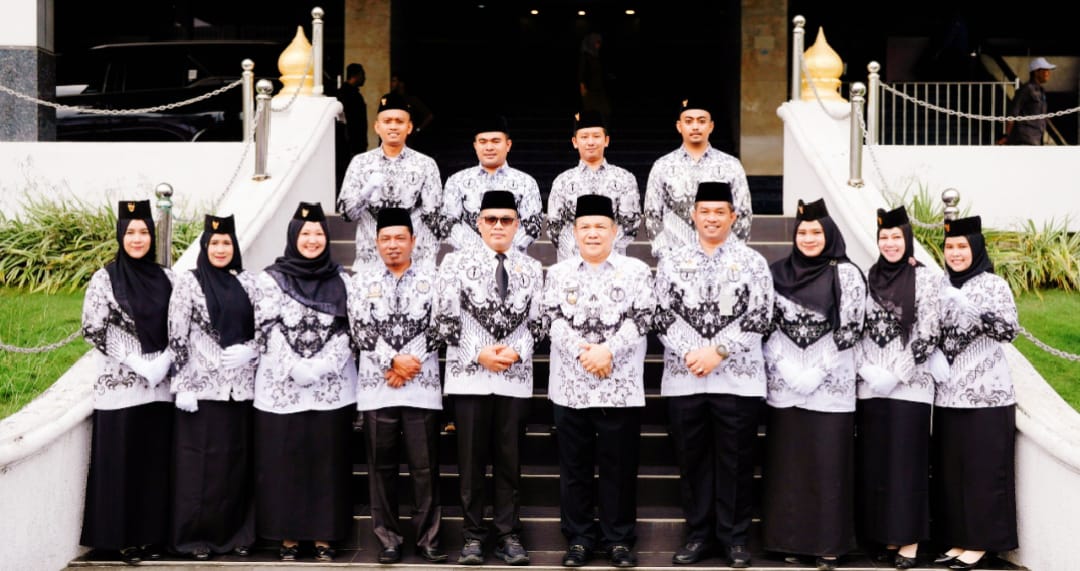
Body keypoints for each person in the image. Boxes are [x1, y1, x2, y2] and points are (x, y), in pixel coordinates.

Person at [653, 182, 774, 568]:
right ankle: (698, 536)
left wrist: (717, 352)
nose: (711, 218)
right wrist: (693, 353)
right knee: (692, 461)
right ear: (693, 215)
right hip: (685, 376)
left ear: (733, 217)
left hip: (737, 379)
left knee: (736, 460)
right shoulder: (672, 261)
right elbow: (661, 314)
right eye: (704, 211)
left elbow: (761, 315)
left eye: (720, 212)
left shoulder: (752, 261)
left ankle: (734, 539)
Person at [430, 190, 544, 566]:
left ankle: (508, 535)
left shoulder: (531, 267)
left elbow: (540, 321)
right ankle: (473, 536)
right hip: (469, 377)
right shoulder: (454, 263)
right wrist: (478, 352)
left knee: (510, 461)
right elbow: (443, 317)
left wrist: (517, 352)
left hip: (514, 375)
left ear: (517, 225)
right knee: (471, 461)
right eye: (491, 219)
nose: (498, 226)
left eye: (506, 219)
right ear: (478, 223)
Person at [542, 194, 656, 569]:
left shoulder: (636, 271)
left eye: (600, 227)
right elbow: (551, 319)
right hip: (570, 387)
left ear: (615, 230)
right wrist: (585, 354)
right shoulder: (558, 273)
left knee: (618, 468)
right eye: (586, 227)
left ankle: (618, 540)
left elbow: (643, 318)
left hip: (619, 386)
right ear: (574, 232)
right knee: (574, 468)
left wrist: (608, 351)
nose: (593, 233)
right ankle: (578, 539)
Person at [761, 198, 866, 571]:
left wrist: (816, 372)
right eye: (802, 232)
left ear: (829, 235)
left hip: (830, 386)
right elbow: (765, 325)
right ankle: (789, 541)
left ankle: (827, 545)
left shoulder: (846, 274)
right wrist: (786, 367)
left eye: (816, 232)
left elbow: (851, 328)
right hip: (785, 384)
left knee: (827, 464)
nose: (808, 238)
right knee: (789, 466)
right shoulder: (776, 272)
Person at [251, 202, 357, 562]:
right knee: (285, 462)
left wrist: (323, 366)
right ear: (293, 237)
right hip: (283, 388)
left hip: (331, 389)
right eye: (306, 233)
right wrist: (294, 367)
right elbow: (266, 327)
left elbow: (349, 329)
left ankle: (326, 536)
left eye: (318, 233)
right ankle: (289, 538)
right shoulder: (270, 279)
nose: (312, 240)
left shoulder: (342, 280)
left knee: (327, 463)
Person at [347, 208, 447, 565]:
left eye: (399, 238)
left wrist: (409, 363)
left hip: (422, 387)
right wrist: (392, 362)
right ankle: (388, 538)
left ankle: (428, 538)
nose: (393, 245)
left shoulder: (434, 278)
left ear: (413, 241)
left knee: (425, 468)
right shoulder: (361, 281)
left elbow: (442, 324)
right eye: (386, 239)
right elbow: (359, 328)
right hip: (377, 388)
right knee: (381, 468)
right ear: (376, 242)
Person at [80, 199, 175, 565]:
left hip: (159, 388)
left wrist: (165, 360)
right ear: (121, 236)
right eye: (131, 232)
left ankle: (152, 538)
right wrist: (135, 360)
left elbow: (181, 324)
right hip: (120, 388)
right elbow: (93, 327)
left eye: (144, 232)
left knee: (153, 466)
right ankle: (120, 540)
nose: (137, 239)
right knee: (121, 465)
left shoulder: (168, 278)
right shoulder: (105, 278)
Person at [166, 214, 259, 561]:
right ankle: (195, 537)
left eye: (226, 243)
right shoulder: (189, 283)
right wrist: (183, 385)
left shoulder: (248, 282)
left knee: (235, 466)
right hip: (202, 393)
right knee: (200, 469)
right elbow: (177, 335)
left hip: (240, 390)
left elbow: (264, 328)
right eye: (215, 243)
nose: (221, 249)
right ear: (204, 247)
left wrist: (252, 350)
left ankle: (236, 535)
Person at [854, 206, 943, 569]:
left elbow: (929, 331)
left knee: (906, 464)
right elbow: (855, 328)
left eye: (896, 237)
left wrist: (897, 373)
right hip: (872, 386)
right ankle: (885, 535)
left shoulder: (926, 279)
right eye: (884, 237)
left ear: (908, 240)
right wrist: (867, 369)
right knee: (876, 463)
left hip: (910, 386)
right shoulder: (868, 277)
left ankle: (909, 541)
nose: (890, 243)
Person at [932, 215, 1018, 570]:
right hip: (948, 395)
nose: (955, 253)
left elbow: (1008, 331)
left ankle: (980, 542)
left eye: (962, 247)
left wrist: (974, 310)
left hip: (987, 396)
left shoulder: (994, 285)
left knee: (983, 472)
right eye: (950, 247)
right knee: (953, 472)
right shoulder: (939, 284)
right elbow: (929, 327)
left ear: (976, 249)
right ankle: (959, 539)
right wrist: (932, 352)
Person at [337, 91, 444, 268]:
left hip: (414, 264)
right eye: (387, 121)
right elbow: (347, 214)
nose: (393, 127)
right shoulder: (360, 163)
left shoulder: (425, 165)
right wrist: (366, 191)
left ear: (409, 127)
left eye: (399, 122)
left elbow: (433, 218)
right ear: (377, 127)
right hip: (370, 262)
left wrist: (428, 260)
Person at [644, 97, 753, 258]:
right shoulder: (662, 166)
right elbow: (652, 214)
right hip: (675, 258)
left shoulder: (730, 165)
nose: (695, 126)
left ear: (711, 126)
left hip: (721, 258)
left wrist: (730, 254)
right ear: (679, 126)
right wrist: (666, 255)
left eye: (701, 121)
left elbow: (743, 213)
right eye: (689, 121)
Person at [546, 110, 641, 262]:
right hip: (572, 263)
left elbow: (630, 225)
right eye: (584, 137)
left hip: (613, 264)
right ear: (575, 142)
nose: (590, 142)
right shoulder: (562, 181)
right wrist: (578, 252)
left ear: (606, 140)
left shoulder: (624, 179)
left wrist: (602, 252)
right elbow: (554, 227)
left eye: (596, 136)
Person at [441, 115, 543, 254]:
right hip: (467, 261)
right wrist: (480, 252)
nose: (489, 147)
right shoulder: (457, 181)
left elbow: (533, 225)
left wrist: (502, 249)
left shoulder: (526, 182)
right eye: (483, 142)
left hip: (511, 260)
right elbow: (447, 222)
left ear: (508, 145)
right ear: (475, 146)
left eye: (496, 141)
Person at [1000, 57, 1056, 145]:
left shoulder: (1041, 90)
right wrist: (1006, 136)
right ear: (1036, 72)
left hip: (1037, 138)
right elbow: (1012, 113)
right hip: (1025, 139)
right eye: (1045, 70)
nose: (1048, 73)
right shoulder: (1026, 89)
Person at [390, 73, 434, 148]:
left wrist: (417, 130)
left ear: (401, 83)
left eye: (394, 81)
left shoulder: (411, 99)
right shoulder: (391, 99)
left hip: (408, 139)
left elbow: (429, 116)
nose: (392, 84)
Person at [578, 32, 611, 118]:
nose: (598, 45)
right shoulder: (585, 56)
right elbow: (581, 72)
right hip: (589, 89)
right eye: (597, 43)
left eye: (599, 43)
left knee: (605, 111)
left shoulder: (597, 56)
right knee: (591, 112)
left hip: (599, 88)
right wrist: (582, 87)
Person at [338, 62, 368, 157]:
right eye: (363, 75)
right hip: (351, 145)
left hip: (354, 144)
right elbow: (351, 121)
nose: (365, 78)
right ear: (356, 75)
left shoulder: (351, 93)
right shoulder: (348, 94)